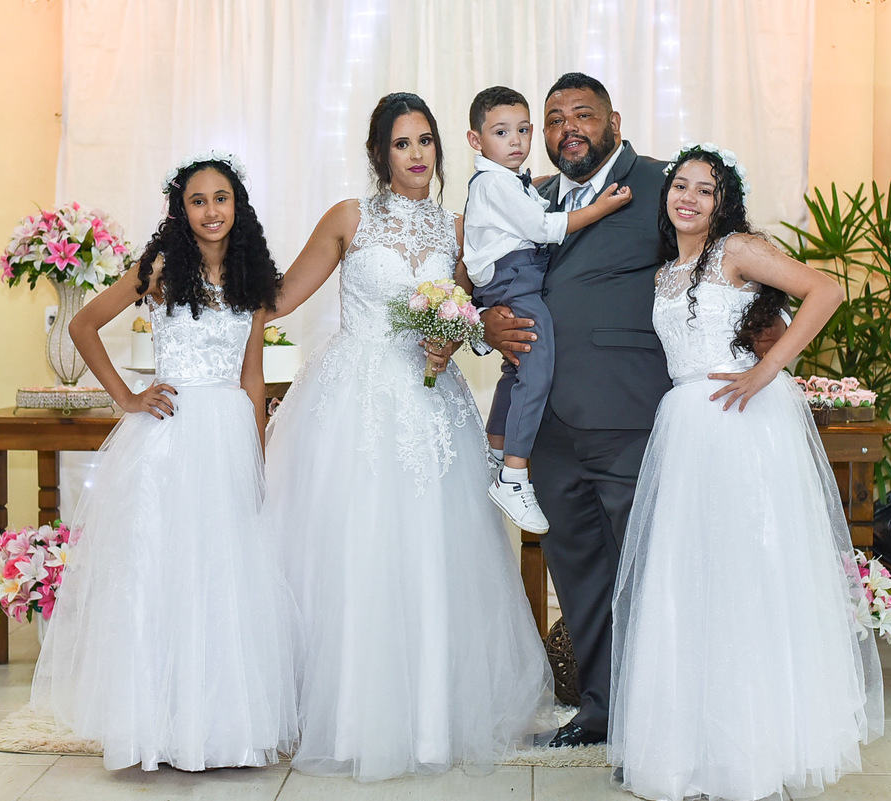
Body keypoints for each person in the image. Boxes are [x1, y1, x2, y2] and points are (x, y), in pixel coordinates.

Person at [264, 92, 554, 782]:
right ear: (379, 153)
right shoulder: (349, 218)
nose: (417, 154)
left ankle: (428, 718)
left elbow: (475, 317)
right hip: (353, 407)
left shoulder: (458, 228)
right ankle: (350, 715)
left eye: (425, 140)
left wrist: (458, 339)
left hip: (431, 407)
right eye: (402, 143)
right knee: (356, 551)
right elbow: (276, 299)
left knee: (430, 551)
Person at [608, 144, 884, 800]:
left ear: (722, 202)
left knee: (741, 576)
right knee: (688, 579)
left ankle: (751, 754)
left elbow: (826, 289)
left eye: (705, 189)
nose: (689, 198)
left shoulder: (735, 250)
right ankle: (688, 752)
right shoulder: (664, 274)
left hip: (738, 425)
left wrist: (766, 369)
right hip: (685, 428)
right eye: (681, 185)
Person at [29, 154, 300, 772]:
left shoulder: (253, 278)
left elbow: (253, 377)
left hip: (228, 435)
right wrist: (127, 398)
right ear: (181, 210)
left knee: (224, 575)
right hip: (171, 438)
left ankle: (222, 730)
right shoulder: (158, 271)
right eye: (198, 200)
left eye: (221, 198)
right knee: (163, 570)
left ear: (238, 206)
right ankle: (155, 728)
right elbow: (83, 325)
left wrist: (258, 456)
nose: (211, 211)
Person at [481, 72, 672, 748]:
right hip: (547, 427)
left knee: (648, 570)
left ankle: (661, 714)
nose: (569, 129)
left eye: (583, 115)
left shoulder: (661, 184)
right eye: (556, 119)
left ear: (613, 121)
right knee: (579, 571)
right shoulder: (527, 197)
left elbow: (716, 266)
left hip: (630, 413)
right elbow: (493, 275)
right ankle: (600, 708)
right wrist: (488, 324)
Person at [463, 85, 631, 534]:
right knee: (536, 371)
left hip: (515, 275)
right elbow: (543, 227)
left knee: (518, 368)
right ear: (476, 140)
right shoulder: (494, 183)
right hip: (515, 277)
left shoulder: (509, 181)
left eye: (523, 130)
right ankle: (514, 474)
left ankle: (496, 449)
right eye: (501, 132)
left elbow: (532, 205)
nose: (515, 141)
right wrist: (601, 207)